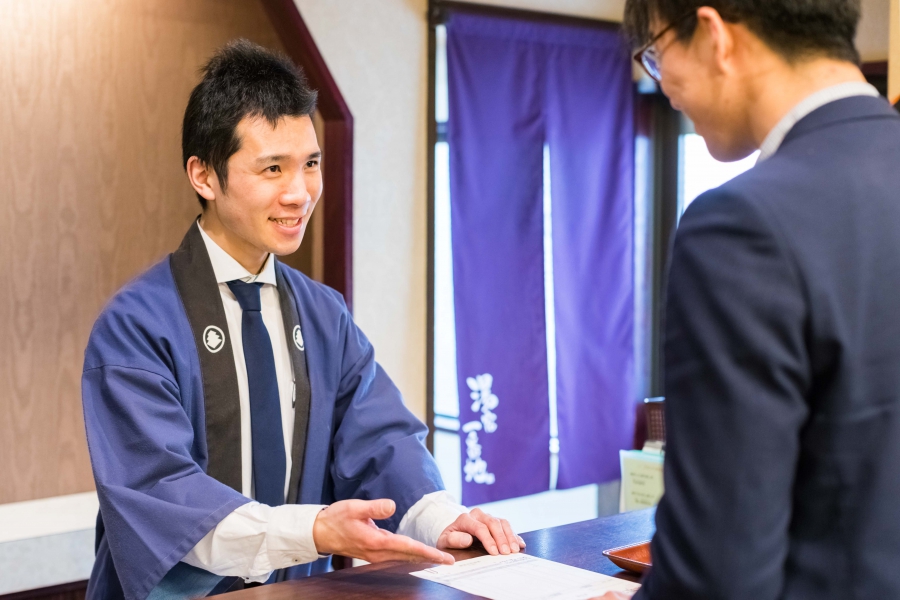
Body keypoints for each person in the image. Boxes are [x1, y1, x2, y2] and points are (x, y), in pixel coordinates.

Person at [82, 40, 523, 600]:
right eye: (272, 168)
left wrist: (440, 520)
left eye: (310, 164)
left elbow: (381, 441)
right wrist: (314, 530)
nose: (299, 193)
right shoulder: (135, 325)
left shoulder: (323, 312)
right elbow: (160, 493)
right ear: (204, 176)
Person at [597, 0, 900, 598]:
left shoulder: (742, 224)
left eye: (657, 55)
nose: (668, 92)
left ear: (715, 37)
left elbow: (719, 567)